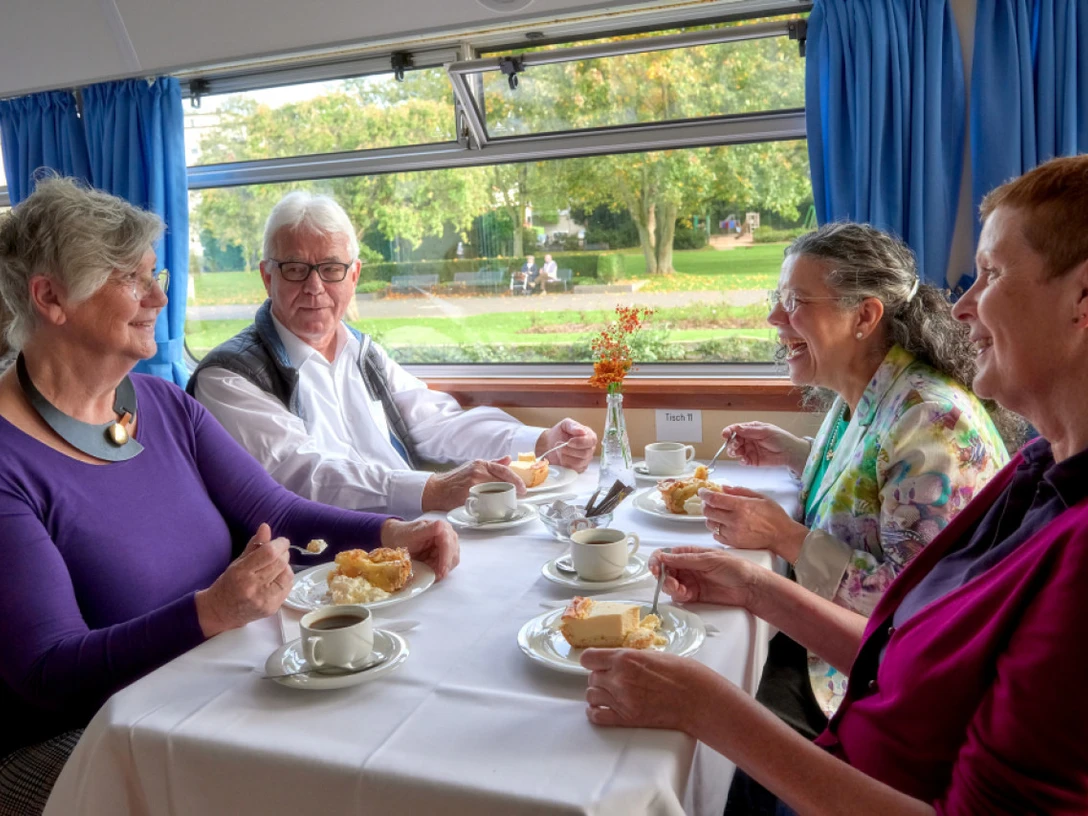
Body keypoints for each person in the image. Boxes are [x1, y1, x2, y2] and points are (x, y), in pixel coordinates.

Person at [582, 155, 1088, 814]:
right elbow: (906, 642)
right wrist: (753, 583)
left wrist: (710, 710)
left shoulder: (946, 429)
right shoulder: (1038, 473)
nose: (962, 304)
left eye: (989, 274)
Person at [0, 178, 460, 814]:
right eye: (130, 281)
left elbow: (277, 511)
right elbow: (48, 674)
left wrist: (393, 533)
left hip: (217, 681)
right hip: (95, 739)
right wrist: (210, 612)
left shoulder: (162, 407)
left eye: (154, 274)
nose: (160, 296)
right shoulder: (6, 462)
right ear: (51, 297)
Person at [703, 222, 1010, 738]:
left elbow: (909, 612)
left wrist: (784, 536)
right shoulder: (874, 392)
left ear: (865, 316)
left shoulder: (932, 423)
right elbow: (875, 486)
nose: (776, 318)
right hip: (831, 646)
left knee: (707, 691)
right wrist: (799, 455)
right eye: (779, 298)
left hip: (869, 688)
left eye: (797, 301)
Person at [188, 193, 596, 517]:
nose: (314, 287)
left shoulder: (364, 354)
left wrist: (539, 444)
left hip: (405, 531)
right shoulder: (227, 379)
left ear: (354, 276)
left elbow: (436, 423)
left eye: (331, 269)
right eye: (295, 269)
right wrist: (431, 490)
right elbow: (303, 475)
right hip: (315, 561)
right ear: (267, 276)